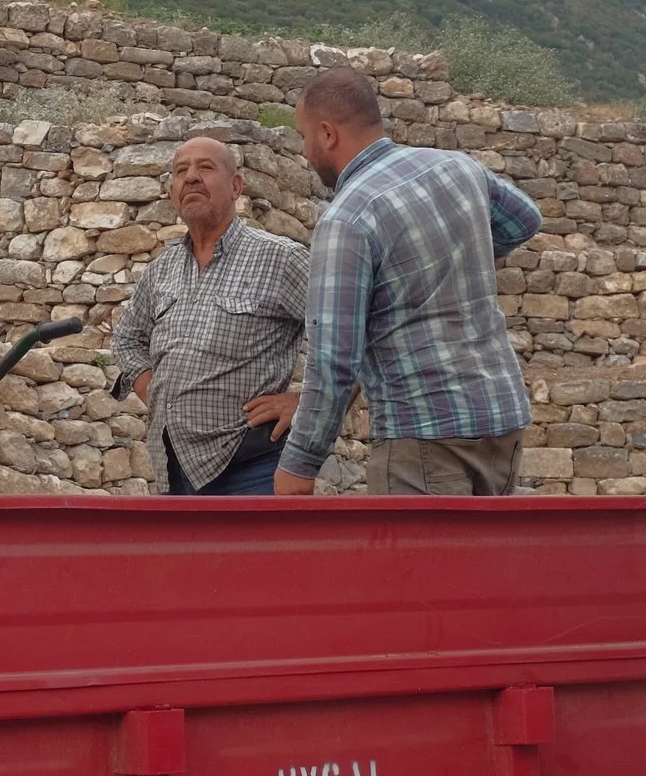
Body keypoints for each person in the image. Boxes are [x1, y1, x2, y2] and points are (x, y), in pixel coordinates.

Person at [273, 67, 544, 497]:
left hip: (423, 433)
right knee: (484, 564)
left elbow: (335, 363)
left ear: (326, 134)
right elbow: (525, 220)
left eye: (304, 137)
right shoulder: (457, 167)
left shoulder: (348, 218)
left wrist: (299, 466)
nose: (305, 152)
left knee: (418, 567)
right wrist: (454, 255)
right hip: (502, 419)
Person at [110, 135, 310, 495]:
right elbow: (127, 340)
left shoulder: (282, 259)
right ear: (172, 190)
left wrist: (306, 401)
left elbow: (349, 333)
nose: (190, 177)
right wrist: (156, 394)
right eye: (180, 170)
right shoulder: (162, 269)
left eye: (206, 167)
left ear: (236, 186)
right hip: (174, 468)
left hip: (254, 468)